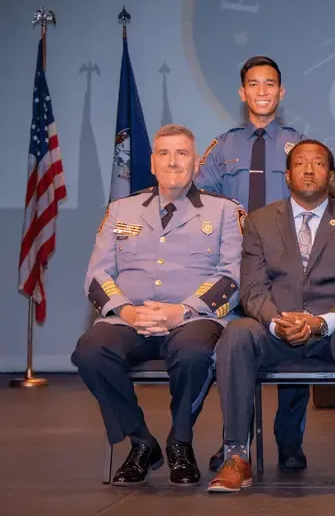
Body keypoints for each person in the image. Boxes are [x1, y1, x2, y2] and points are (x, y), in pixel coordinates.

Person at [72, 124, 243, 486]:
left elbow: (232, 278)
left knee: (195, 354)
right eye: (164, 153)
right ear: (152, 163)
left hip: (192, 318)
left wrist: (181, 311)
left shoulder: (225, 211)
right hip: (130, 319)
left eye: (182, 154)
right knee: (90, 351)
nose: (173, 161)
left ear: (196, 163)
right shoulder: (122, 209)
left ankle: (180, 441)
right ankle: (140, 441)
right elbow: (96, 274)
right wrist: (125, 311)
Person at [208, 140, 335, 493]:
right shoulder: (259, 222)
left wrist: (320, 322)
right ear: (287, 175)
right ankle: (236, 455)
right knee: (236, 333)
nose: (308, 169)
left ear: (330, 175)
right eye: (300, 163)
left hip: (330, 334)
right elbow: (253, 289)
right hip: (274, 331)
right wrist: (277, 321)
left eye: (317, 163)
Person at [195, 56, 311, 472]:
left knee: (296, 344)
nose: (262, 91)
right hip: (237, 262)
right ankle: (235, 442)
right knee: (233, 350)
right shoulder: (222, 146)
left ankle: (290, 440)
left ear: (281, 93)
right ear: (242, 93)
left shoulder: (300, 146)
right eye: (254, 85)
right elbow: (200, 201)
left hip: (288, 261)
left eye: (270, 85)